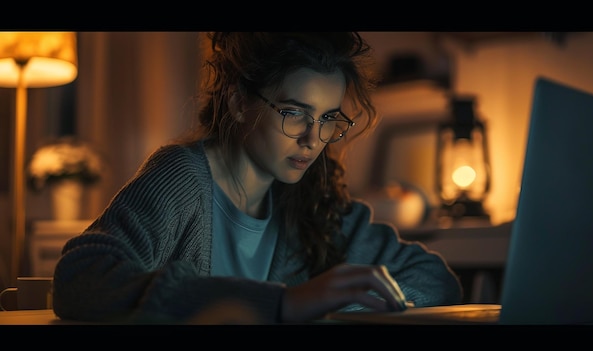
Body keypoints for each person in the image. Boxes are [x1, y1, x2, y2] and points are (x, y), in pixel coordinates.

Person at [52, 32, 463, 324]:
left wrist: (328, 308)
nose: (312, 139)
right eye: (293, 113)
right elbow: (80, 277)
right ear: (238, 103)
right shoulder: (183, 176)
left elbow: (433, 280)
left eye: (326, 119)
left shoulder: (310, 198)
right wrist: (283, 305)